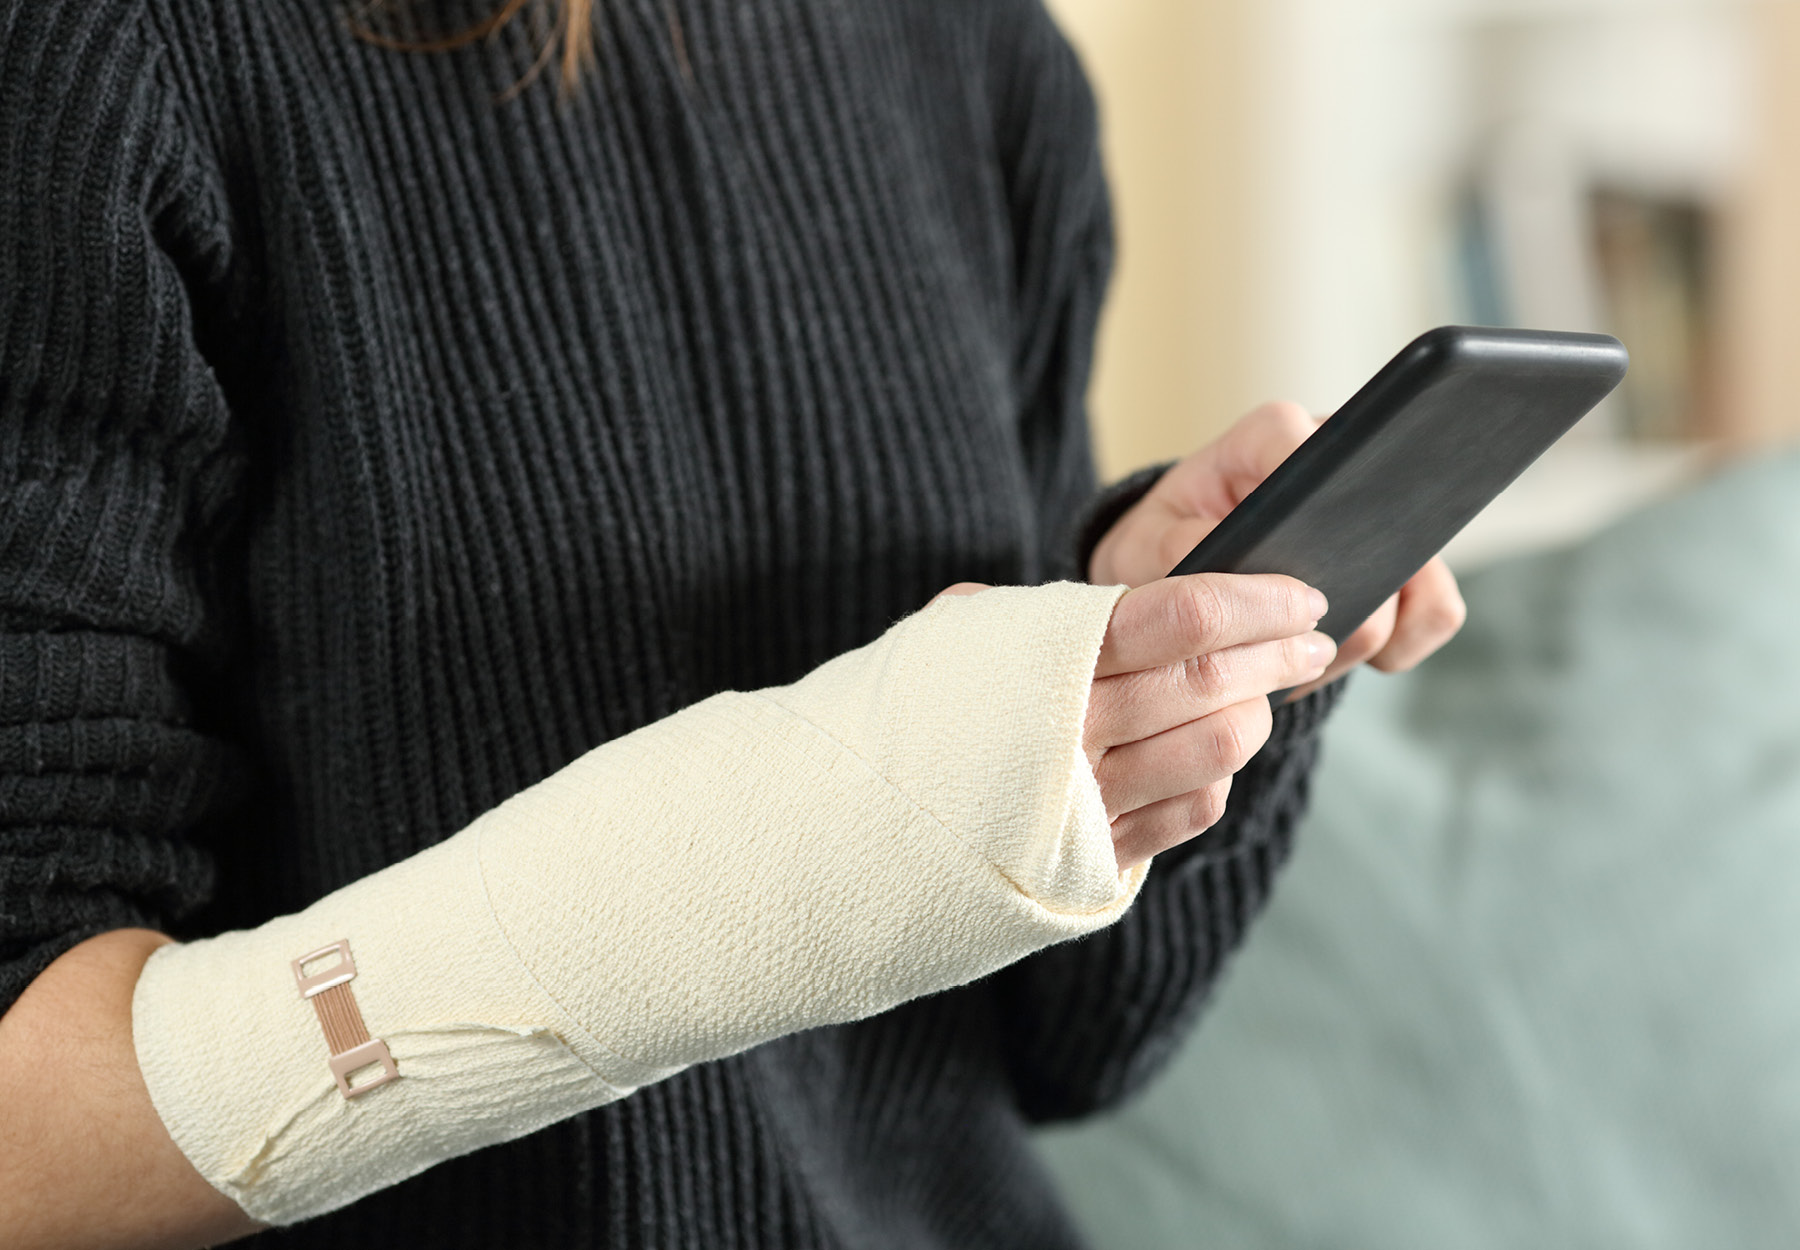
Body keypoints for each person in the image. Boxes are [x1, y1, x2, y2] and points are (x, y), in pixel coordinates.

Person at [0, 0, 1465, 1246]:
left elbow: (1063, 1045)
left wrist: (1157, 679)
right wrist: (821, 827)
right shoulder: (115, 62)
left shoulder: (976, 52)